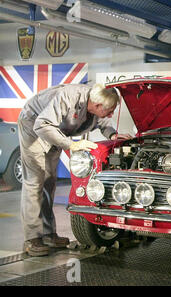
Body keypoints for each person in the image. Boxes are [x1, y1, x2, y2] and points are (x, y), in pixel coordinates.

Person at [18, 83, 132, 256]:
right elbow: (42, 125)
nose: (111, 114)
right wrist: (72, 145)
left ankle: (48, 234)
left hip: (56, 130)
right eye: (109, 111)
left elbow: (103, 121)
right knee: (35, 182)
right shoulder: (68, 97)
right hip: (34, 126)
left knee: (49, 182)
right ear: (96, 105)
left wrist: (113, 134)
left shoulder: (97, 99)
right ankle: (32, 238)